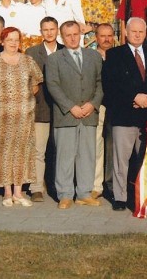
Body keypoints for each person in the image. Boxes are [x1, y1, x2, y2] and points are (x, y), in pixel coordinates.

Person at [0, 27, 43, 207]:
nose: (13, 43)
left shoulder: (28, 61)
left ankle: (19, 193)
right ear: (2, 41)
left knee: (21, 152)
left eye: (16, 39)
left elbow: (35, 85)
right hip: (0, 118)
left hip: (23, 117)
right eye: (9, 39)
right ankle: (7, 193)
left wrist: (24, 101)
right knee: (4, 152)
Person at [102, 17, 147, 211]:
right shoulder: (114, 54)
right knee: (121, 160)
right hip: (124, 115)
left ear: (146, 33)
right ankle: (120, 198)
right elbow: (112, 85)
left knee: (144, 160)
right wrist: (134, 98)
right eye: (133, 31)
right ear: (126, 32)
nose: (137, 35)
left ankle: (142, 196)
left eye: (141, 32)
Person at [47, 21, 104, 209]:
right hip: (66, 115)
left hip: (89, 114)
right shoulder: (55, 59)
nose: (72, 38)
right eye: (68, 35)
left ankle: (84, 193)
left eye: (75, 34)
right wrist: (71, 107)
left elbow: (100, 84)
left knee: (87, 154)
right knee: (65, 155)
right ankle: (65, 194)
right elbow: (53, 86)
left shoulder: (94, 56)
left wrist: (92, 104)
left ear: (81, 33)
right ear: (62, 37)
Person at [24, 16, 63, 202]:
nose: (49, 33)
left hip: (62, 109)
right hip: (40, 107)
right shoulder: (32, 52)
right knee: (38, 150)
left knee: (59, 150)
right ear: (41, 32)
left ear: (57, 30)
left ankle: (58, 186)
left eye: (52, 29)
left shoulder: (65, 51)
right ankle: (36, 187)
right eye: (45, 29)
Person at [92, 23, 116, 200]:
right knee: (97, 146)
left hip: (115, 106)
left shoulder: (120, 54)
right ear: (96, 37)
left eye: (109, 35)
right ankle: (96, 185)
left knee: (113, 146)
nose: (106, 39)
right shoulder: (91, 56)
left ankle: (112, 184)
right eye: (102, 36)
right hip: (97, 106)